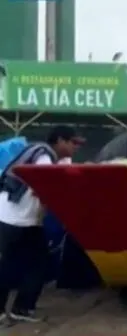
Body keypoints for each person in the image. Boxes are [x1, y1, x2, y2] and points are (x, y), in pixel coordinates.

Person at [0, 125, 83, 323]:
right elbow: (46, 181)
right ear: (60, 141)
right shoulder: (43, 153)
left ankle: (21, 308)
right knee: (17, 265)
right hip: (15, 218)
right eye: (73, 143)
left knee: (33, 264)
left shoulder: (48, 156)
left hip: (23, 219)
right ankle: (20, 308)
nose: (76, 148)